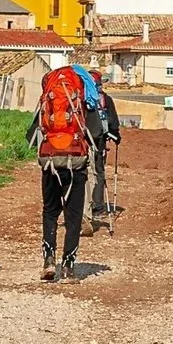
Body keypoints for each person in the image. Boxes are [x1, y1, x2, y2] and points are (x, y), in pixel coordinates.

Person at [31, 63, 94, 281]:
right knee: (73, 215)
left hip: (49, 158)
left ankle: (49, 259)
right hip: (76, 159)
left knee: (50, 211)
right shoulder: (82, 101)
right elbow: (93, 131)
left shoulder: (46, 101)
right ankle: (68, 266)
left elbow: (31, 133)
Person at [86, 68, 123, 232]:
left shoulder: (81, 99)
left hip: (83, 140)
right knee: (99, 171)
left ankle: (82, 204)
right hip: (100, 139)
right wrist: (115, 136)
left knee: (83, 172)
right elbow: (114, 123)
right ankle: (98, 205)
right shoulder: (105, 99)